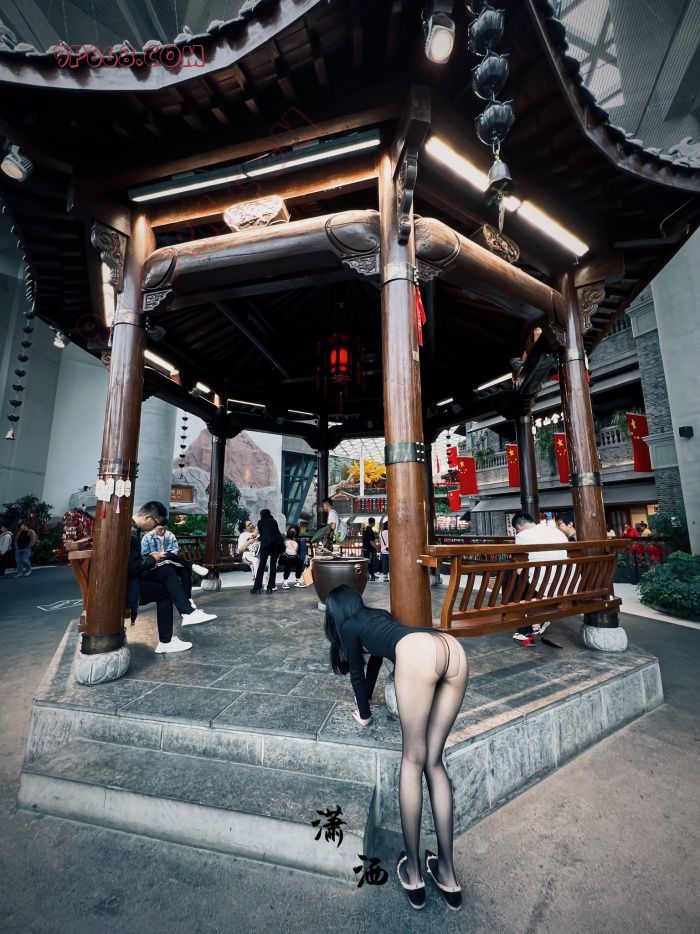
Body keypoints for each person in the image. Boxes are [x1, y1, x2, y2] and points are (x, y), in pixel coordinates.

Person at [324, 586, 468, 910]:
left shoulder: (349, 627)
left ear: (335, 612)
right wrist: (367, 702)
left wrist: (364, 715)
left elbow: (358, 674)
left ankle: (414, 873)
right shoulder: (377, 616)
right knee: (434, 762)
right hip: (451, 649)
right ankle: (447, 875)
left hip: (419, 654)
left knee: (413, 761)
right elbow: (375, 662)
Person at [128, 501, 216, 654]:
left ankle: (187, 613)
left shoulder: (132, 530)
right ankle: (172, 633)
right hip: (127, 587)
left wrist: (153, 558)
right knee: (165, 588)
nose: (156, 527)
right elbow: (132, 567)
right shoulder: (131, 533)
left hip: (131, 581)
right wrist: (153, 558)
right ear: (148, 518)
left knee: (168, 571)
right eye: (156, 524)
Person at [511, 512, 569, 646]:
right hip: (566, 584)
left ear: (519, 528)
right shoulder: (556, 531)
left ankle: (525, 631)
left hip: (544, 587)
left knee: (514, 577)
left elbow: (520, 568)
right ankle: (538, 620)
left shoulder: (522, 536)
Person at [141, 523, 209, 604]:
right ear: (154, 528)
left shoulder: (170, 535)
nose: (163, 531)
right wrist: (158, 555)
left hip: (171, 562)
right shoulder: (147, 537)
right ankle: (192, 566)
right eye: (160, 529)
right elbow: (145, 554)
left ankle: (188, 599)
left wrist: (165, 555)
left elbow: (175, 550)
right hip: (156, 564)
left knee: (185, 571)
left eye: (165, 528)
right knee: (169, 558)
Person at [251, 508, 284, 594]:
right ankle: (270, 588)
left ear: (262, 515)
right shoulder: (274, 521)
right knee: (273, 566)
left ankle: (257, 588)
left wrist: (259, 539)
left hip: (266, 544)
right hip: (276, 544)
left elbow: (262, 534)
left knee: (261, 565)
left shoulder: (261, 521)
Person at [362, 517, 379, 581]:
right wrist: (377, 548)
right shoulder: (370, 531)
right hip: (369, 549)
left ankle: (370, 575)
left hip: (364, 548)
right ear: (373, 523)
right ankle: (371, 576)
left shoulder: (365, 530)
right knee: (370, 562)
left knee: (367, 563)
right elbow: (372, 542)